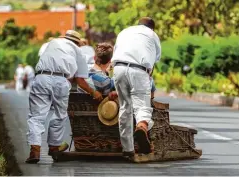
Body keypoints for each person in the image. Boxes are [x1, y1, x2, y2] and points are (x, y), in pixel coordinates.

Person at [25, 30, 103, 164]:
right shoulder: (78, 51)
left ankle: (35, 149)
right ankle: (54, 146)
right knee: (60, 114)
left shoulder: (52, 43)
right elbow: (80, 81)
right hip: (61, 81)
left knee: (36, 116)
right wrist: (94, 92)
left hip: (41, 77)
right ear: (78, 42)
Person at [112, 17, 161, 159]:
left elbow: (116, 50)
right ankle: (142, 126)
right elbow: (155, 59)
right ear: (152, 28)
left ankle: (127, 148)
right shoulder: (152, 35)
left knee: (125, 107)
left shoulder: (124, 32)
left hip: (119, 68)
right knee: (142, 105)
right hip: (139, 70)